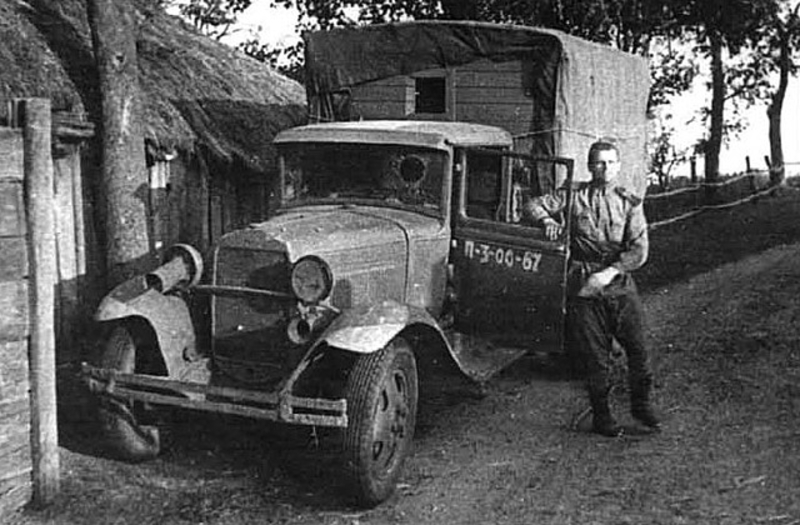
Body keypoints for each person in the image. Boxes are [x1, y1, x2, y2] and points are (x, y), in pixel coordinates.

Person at [524, 140, 661, 437]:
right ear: (589, 166)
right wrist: (547, 219)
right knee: (594, 356)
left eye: (611, 162)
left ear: (619, 166)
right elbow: (533, 205)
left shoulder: (629, 202)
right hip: (583, 282)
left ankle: (641, 406)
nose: (605, 168)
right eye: (599, 163)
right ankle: (602, 416)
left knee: (638, 349)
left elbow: (639, 250)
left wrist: (609, 273)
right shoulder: (573, 195)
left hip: (618, 281)